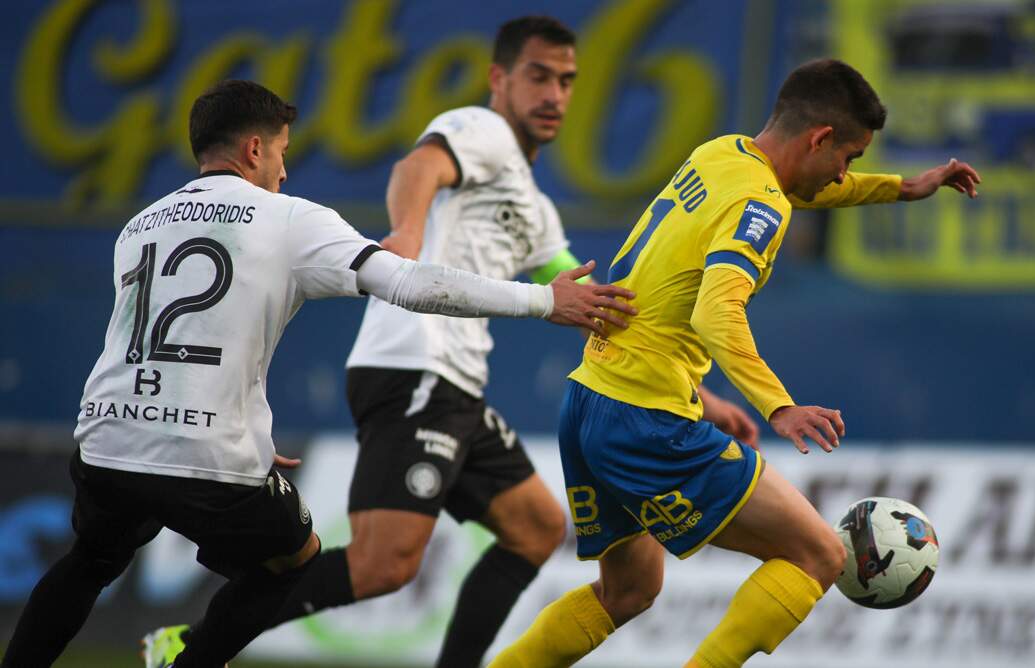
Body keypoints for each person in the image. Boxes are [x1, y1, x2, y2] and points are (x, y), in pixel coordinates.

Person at [0, 78, 635, 668]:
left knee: (89, 561)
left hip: (108, 438)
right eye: (280, 152)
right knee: (294, 562)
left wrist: (243, 429)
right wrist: (543, 300)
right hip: (208, 455)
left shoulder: (139, 225)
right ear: (254, 149)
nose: (284, 169)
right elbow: (410, 285)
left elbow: (167, 346)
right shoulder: (291, 219)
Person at [488, 58, 980, 668]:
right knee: (819, 555)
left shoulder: (722, 154)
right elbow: (716, 312)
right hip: (645, 419)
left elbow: (801, 189)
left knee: (628, 591)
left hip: (591, 398)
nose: (843, 174)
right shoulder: (762, 203)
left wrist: (901, 188)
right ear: (820, 138)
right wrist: (780, 406)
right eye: (848, 158)